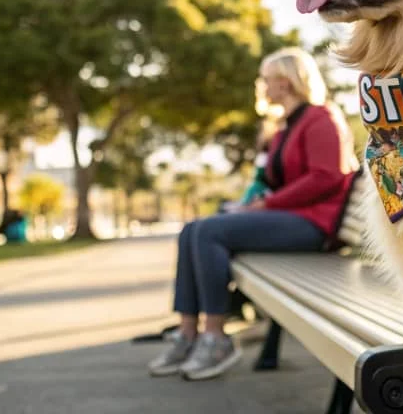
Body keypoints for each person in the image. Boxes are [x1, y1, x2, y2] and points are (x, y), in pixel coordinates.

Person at [148, 47, 359, 381]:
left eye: (266, 80)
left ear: (286, 82)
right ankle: (187, 334)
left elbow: (326, 176)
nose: (261, 86)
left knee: (208, 232)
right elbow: (271, 180)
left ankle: (216, 337)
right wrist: (249, 203)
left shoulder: (320, 118)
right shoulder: (285, 126)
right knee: (193, 229)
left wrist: (264, 206)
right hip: (290, 217)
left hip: (314, 225)